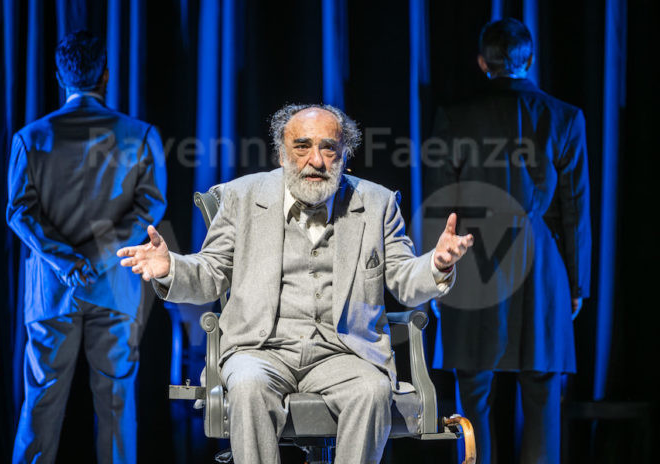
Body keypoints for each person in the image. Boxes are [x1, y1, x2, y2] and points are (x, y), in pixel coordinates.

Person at [118, 103, 474, 463]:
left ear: (345, 154)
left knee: (372, 389)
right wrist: (171, 268)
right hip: (260, 350)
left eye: (328, 148)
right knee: (248, 385)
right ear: (281, 153)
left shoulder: (377, 203)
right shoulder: (242, 197)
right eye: (302, 146)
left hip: (344, 352)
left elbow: (403, 278)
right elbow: (210, 272)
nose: (315, 160)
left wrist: (436, 264)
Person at [429, 18, 591, 464]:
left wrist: (436, 274)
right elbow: (576, 209)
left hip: (472, 258)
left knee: (473, 387)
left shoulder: (455, 117)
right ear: (530, 60)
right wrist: (577, 283)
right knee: (542, 387)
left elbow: (440, 204)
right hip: (542, 262)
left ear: (483, 63)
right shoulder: (565, 117)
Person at [7, 31, 167, 463]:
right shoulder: (141, 135)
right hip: (114, 286)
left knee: (39, 404)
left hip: (51, 292)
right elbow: (150, 207)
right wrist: (97, 257)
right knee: (116, 406)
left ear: (60, 76)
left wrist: (67, 262)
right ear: (106, 76)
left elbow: (19, 212)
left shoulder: (29, 138)